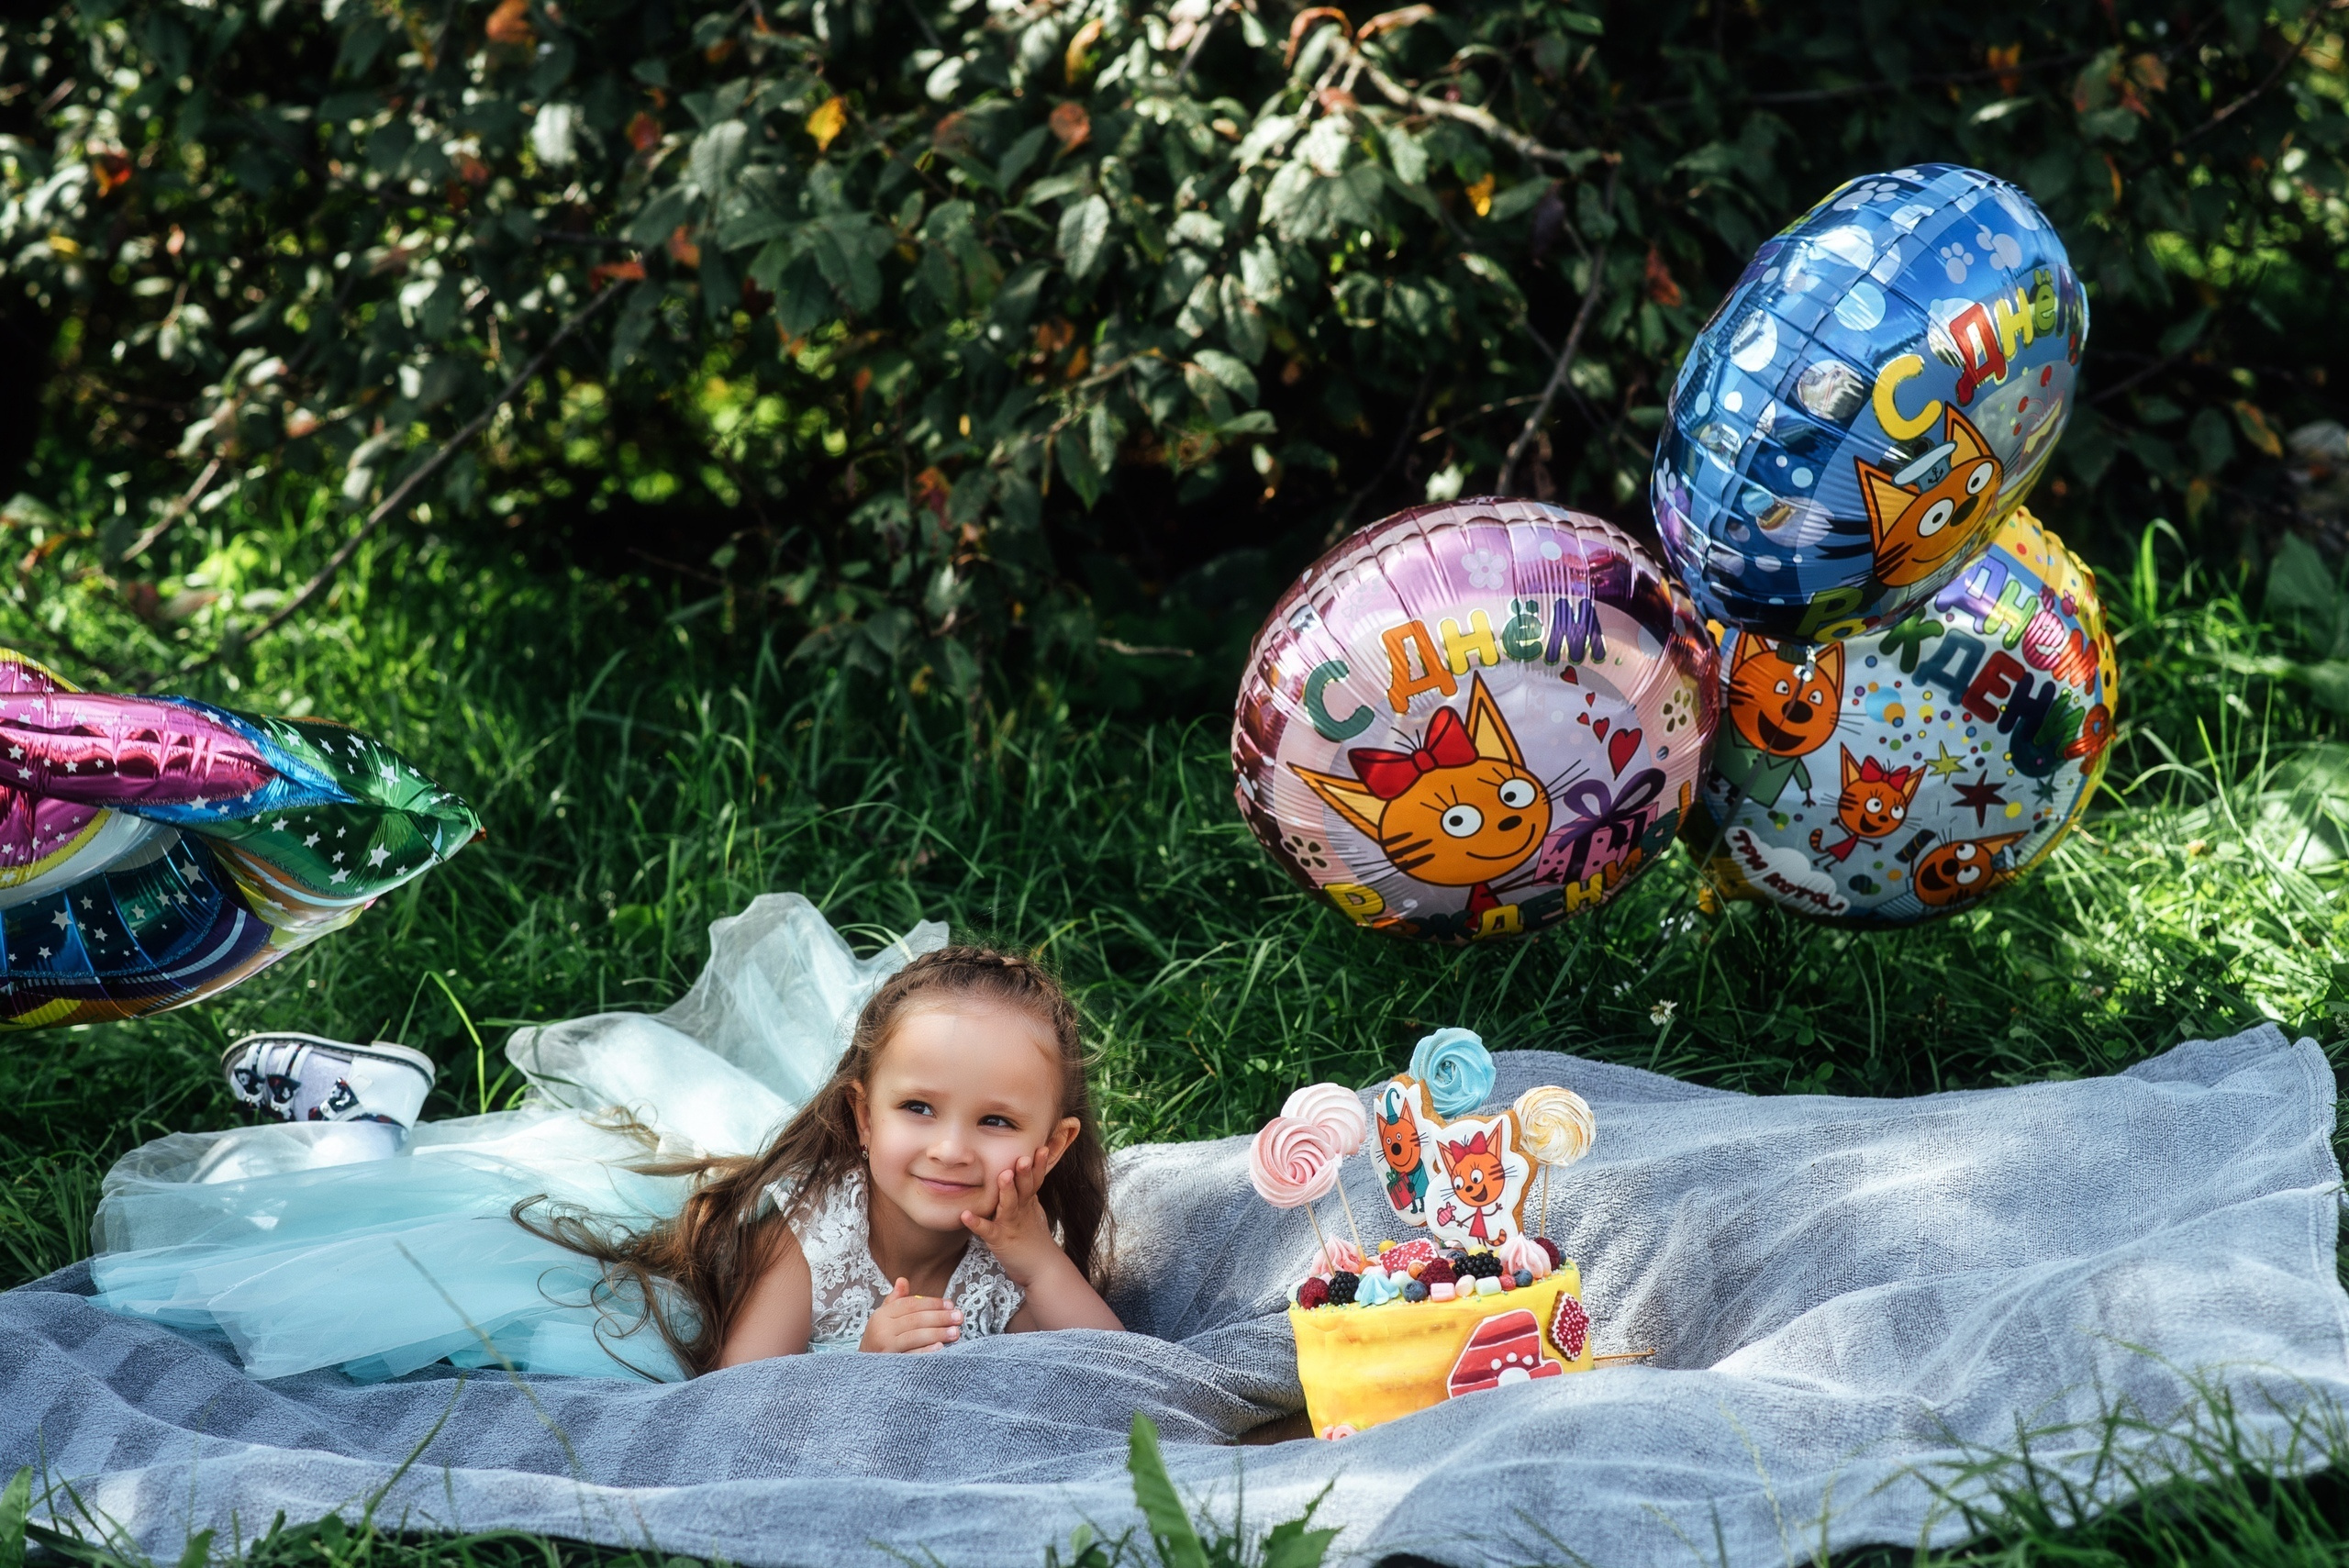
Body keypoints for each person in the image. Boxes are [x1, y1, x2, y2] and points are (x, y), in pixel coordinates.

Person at [92, 916, 1121, 1381]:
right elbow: (739, 1390)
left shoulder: (1014, 1238)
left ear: (1053, 1140)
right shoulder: (809, 1226)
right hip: (641, 1270)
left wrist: (1038, 1260)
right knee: (446, 1260)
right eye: (918, 1109)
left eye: (996, 1122)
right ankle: (358, 1135)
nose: (951, 1148)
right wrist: (860, 1362)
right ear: (861, 1116)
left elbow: (1119, 1367)